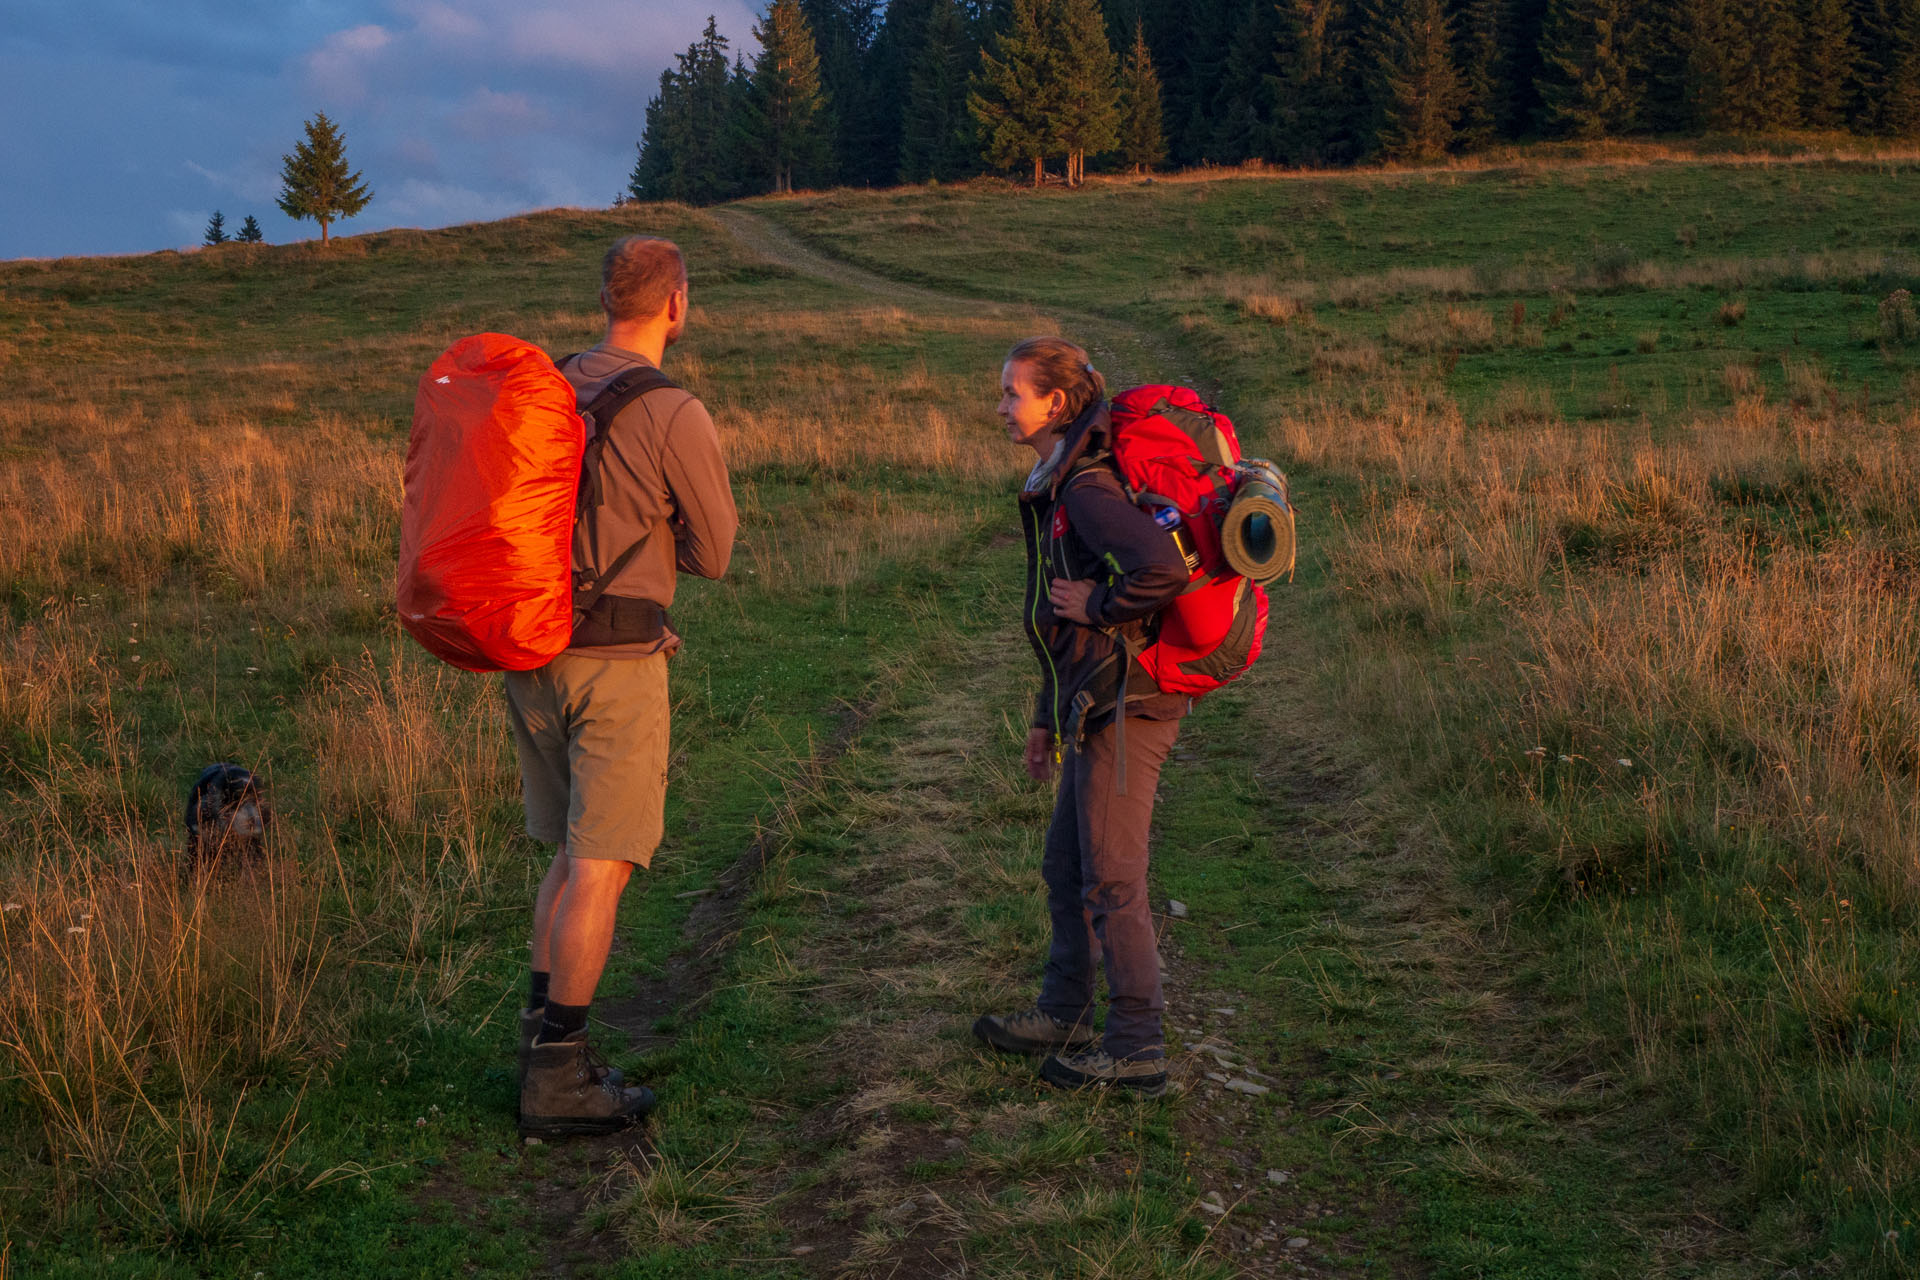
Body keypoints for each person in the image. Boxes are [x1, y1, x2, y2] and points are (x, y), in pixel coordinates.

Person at [508, 235, 737, 1137]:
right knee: (600, 868)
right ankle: (558, 1083)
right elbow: (715, 553)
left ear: (608, 299)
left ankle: (539, 1046)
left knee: (566, 855)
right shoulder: (674, 410)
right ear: (676, 303)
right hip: (614, 665)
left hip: (530, 650)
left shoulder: (551, 383)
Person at [973, 336, 1189, 1097]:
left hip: (1129, 703)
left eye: (1012, 393)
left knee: (1112, 879)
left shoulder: (1087, 489)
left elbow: (1162, 570)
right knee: (1065, 866)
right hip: (1092, 697)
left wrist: (1100, 603)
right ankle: (1064, 1011)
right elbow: (1052, 621)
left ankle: (1136, 1046)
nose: (1000, 407)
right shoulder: (1058, 480)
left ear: (1055, 404)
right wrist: (1045, 715)